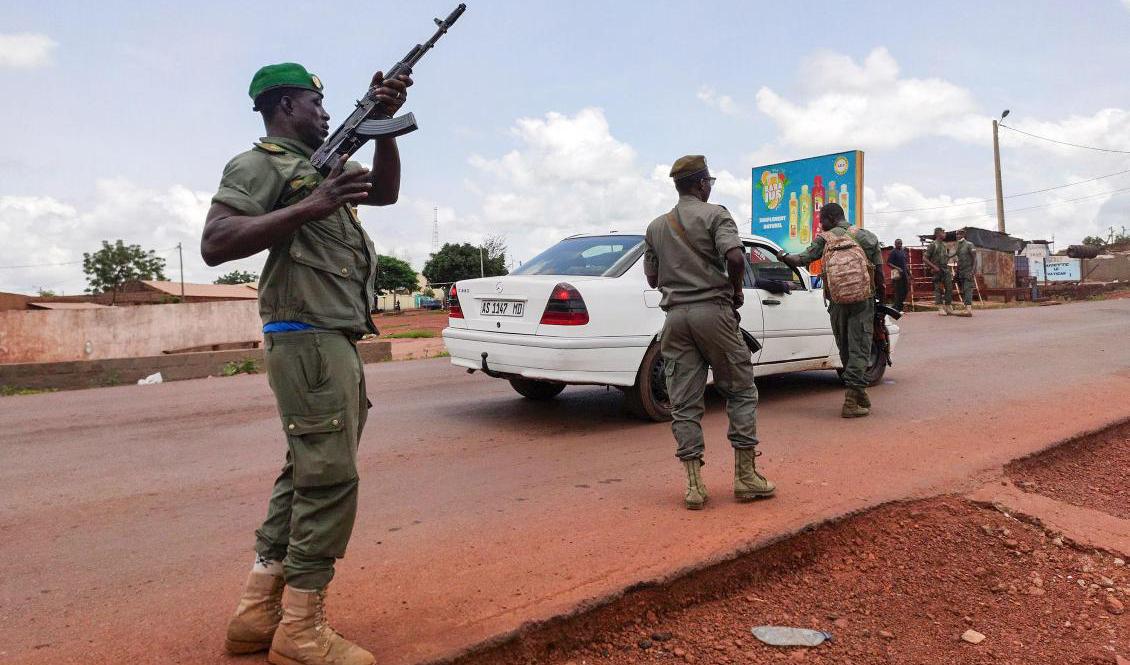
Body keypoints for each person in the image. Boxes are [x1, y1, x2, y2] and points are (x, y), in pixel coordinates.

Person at [201, 62, 412, 665]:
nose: (325, 113)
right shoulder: (259, 165)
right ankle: (301, 630)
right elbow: (216, 243)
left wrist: (383, 124)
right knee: (329, 480)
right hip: (309, 336)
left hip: (329, 337)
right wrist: (310, 206)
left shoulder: (324, 165)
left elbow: (388, 193)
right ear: (286, 107)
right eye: (317, 104)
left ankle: (256, 613)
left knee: (306, 469)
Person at [643, 155, 777, 511]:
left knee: (684, 402)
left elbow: (652, 278)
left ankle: (694, 486)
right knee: (741, 390)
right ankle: (746, 477)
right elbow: (735, 258)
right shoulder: (716, 214)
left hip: (675, 320)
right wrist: (734, 292)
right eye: (709, 183)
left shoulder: (656, 227)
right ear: (702, 183)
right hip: (714, 314)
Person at [783, 203, 884, 418]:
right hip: (862, 301)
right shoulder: (866, 237)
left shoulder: (824, 239)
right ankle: (854, 398)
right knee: (860, 349)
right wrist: (880, 303)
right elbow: (880, 276)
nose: (820, 224)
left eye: (822, 219)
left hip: (837, 302)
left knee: (846, 349)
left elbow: (800, 259)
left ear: (830, 218)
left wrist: (782, 256)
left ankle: (855, 396)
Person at [923, 227, 954, 316]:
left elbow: (946, 257)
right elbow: (925, 258)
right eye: (943, 232)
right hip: (937, 270)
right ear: (938, 234)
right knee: (938, 289)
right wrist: (933, 267)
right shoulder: (933, 245)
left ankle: (948, 306)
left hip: (945, 269)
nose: (945, 234)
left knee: (949, 288)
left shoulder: (944, 245)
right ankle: (940, 307)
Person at [953, 229, 975, 316]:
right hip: (961, 271)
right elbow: (959, 260)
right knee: (963, 290)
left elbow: (975, 259)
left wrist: (973, 270)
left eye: (959, 234)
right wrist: (956, 272)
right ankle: (966, 308)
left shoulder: (969, 244)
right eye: (957, 234)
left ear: (964, 235)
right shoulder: (958, 245)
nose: (958, 236)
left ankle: (968, 310)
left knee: (967, 289)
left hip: (968, 271)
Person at [888, 238, 909, 312]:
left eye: (901, 243)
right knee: (898, 290)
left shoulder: (903, 252)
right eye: (898, 243)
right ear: (895, 244)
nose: (900, 245)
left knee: (905, 290)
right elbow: (889, 263)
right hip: (896, 274)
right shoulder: (893, 252)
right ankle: (897, 308)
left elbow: (905, 264)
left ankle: (898, 306)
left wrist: (909, 274)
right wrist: (898, 268)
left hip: (904, 274)